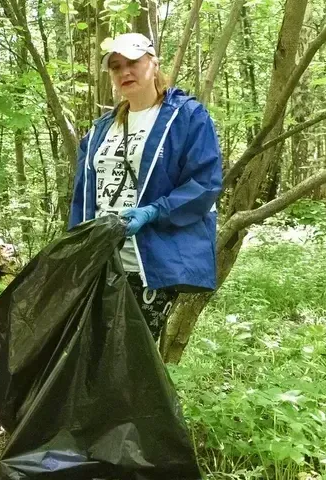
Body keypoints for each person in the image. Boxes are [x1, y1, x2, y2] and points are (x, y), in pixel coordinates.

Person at [69, 32, 223, 340]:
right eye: (115, 66)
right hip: (99, 262)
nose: (125, 71)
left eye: (133, 62)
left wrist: (153, 211)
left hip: (149, 266)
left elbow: (204, 184)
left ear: (153, 63)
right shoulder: (102, 129)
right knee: (90, 362)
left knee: (131, 365)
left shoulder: (187, 116)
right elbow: (82, 196)